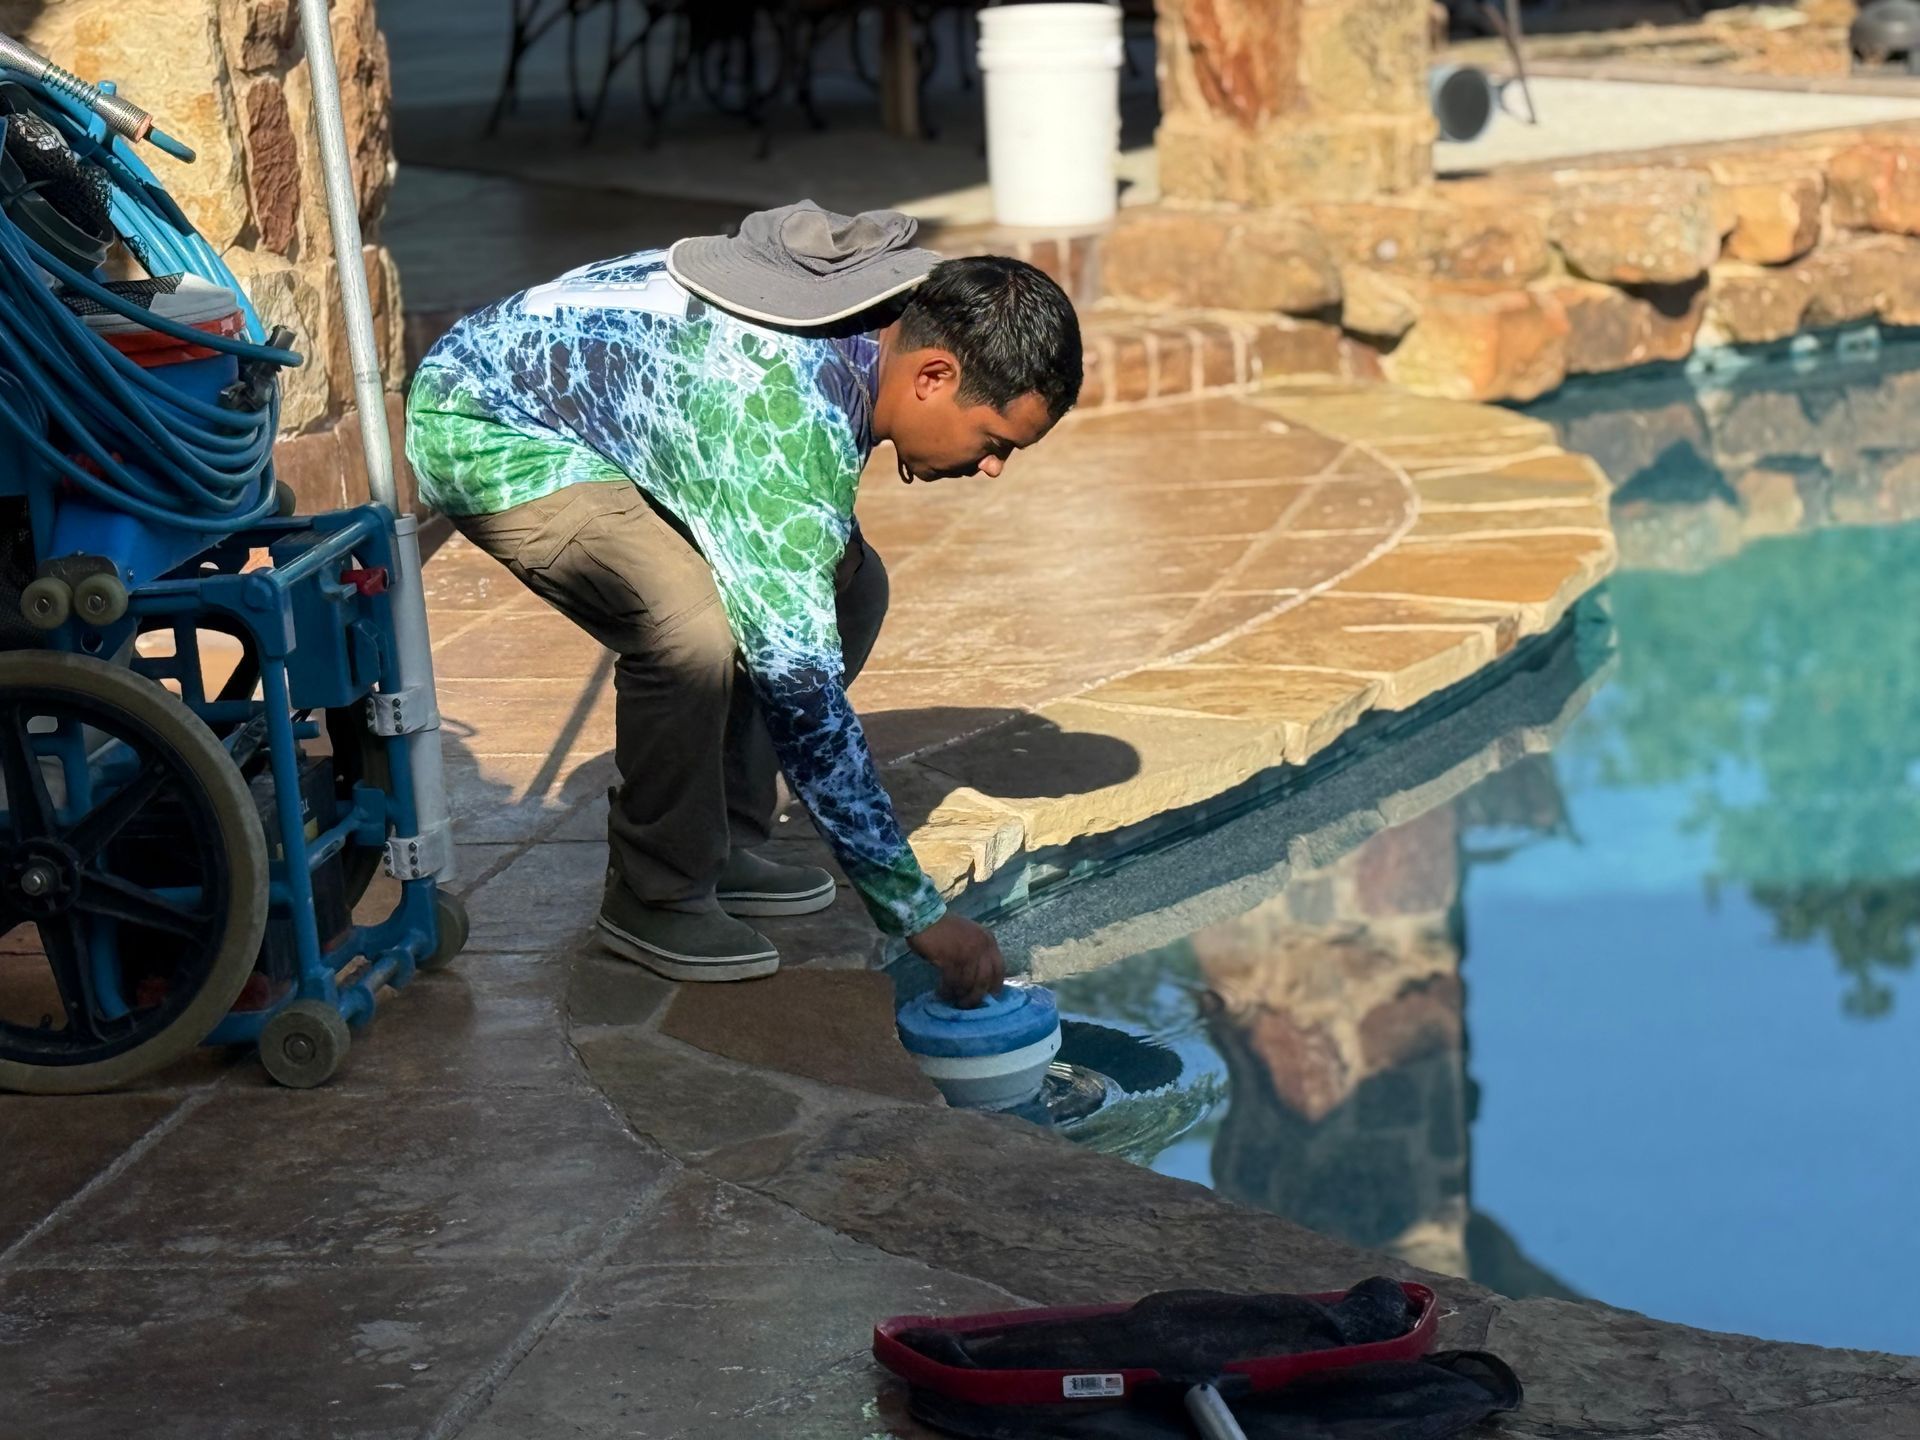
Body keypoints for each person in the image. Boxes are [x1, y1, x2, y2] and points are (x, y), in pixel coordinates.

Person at [405, 201, 1082, 1006]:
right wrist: (916, 912)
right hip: (487, 422)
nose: (996, 467)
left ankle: (718, 838)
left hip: (618, 412)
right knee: (690, 629)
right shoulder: (778, 411)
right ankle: (654, 896)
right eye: (997, 442)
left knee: (850, 591)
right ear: (933, 378)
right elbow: (804, 696)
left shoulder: (892, 324)